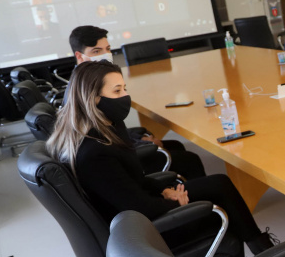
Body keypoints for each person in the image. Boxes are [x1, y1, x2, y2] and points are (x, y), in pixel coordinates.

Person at [46, 60, 281, 257]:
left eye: (124, 88)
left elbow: (131, 180)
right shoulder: (94, 153)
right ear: (93, 98)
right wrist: (169, 202)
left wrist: (163, 190)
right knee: (220, 199)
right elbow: (137, 207)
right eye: (117, 91)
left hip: (138, 215)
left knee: (219, 183)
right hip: (144, 232)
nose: (125, 96)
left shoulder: (104, 129)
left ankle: (262, 254)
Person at [68, 26, 206, 179]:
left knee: (176, 145)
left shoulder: (85, 81)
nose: (105, 55)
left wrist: (138, 139)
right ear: (79, 57)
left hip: (122, 150)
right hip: (124, 164)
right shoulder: (84, 92)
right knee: (190, 160)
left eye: (107, 49)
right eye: (96, 51)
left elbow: (113, 130)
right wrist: (143, 144)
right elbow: (105, 140)